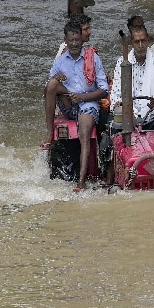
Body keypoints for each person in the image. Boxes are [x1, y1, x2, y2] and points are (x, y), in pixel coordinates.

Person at [43, 20, 108, 190]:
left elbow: (104, 90)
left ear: (82, 39)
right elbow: (49, 87)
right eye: (71, 40)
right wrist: (57, 79)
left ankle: (81, 181)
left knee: (84, 133)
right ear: (66, 40)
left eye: (77, 40)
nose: (74, 44)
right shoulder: (60, 60)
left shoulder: (92, 57)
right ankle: (49, 133)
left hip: (87, 104)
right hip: (68, 104)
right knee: (51, 85)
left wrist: (82, 97)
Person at [111, 24, 154, 128]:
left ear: (148, 40)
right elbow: (116, 93)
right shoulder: (123, 62)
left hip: (152, 117)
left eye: (143, 41)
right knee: (114, 134)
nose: (140, 45)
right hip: (128, 117)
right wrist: (118, 104)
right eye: (136, 42)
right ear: (131, 43)